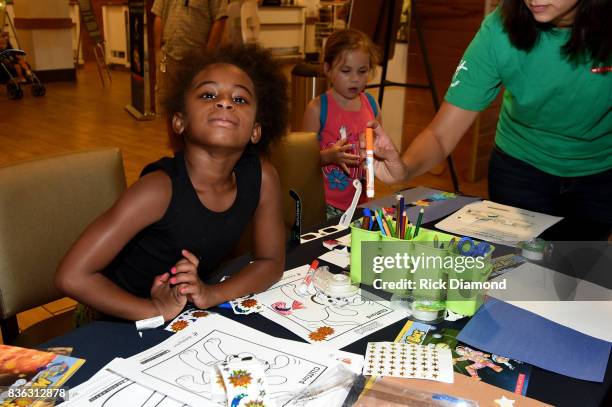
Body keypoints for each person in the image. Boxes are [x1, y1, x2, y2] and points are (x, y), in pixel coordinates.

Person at [55, 44, 288, 323]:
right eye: (208, 94)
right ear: (179, 121)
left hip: (182, 315)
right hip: (111, 318)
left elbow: (271, 262)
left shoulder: (262, 177)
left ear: (256, 130)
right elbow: (71, 276)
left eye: (240, 99)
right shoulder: (157, 190)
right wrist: (153, 311)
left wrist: (211, 294)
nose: (225, 102)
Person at [372, 0, 612, 240]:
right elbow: (440, 134)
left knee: (581, 270)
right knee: (518, 270)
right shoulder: (500, 28)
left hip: (599, 175)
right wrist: (404, 169)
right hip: (520, 169)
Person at [301, 29, 403, 219]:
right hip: (325, 204)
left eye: (362, 71)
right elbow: (303, 161)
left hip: (361, 202)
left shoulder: (372, 105)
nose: (355, 78)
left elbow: (378, 150)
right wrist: (327, 157)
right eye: (346, 71)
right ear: (328, 69)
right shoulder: (317, 108)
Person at [152, 0, 228, 106]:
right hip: (168, 56)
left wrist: (207, 55)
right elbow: (158, 15)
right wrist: (157, 51)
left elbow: (220, 19)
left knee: (195, 104)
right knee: (166, 102)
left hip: (197, 59)